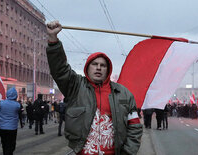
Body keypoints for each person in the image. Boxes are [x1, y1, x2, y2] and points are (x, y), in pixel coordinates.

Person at [46, 20, 143, 154]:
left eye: (102, 65)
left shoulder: (123, 94)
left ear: (108, 69)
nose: (98, 68)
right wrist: (53, 40)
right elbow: (60, 70)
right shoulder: (76, 86)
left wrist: (128, 152)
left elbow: (135, 127)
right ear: (87, 67)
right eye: (94, 64)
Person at [0, 87, 21, 155]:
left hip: (2, 127)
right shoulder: (17, 105)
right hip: (12, 128)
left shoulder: (1, 103)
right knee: (11, 144)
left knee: (4, 143)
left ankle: (5, 153)